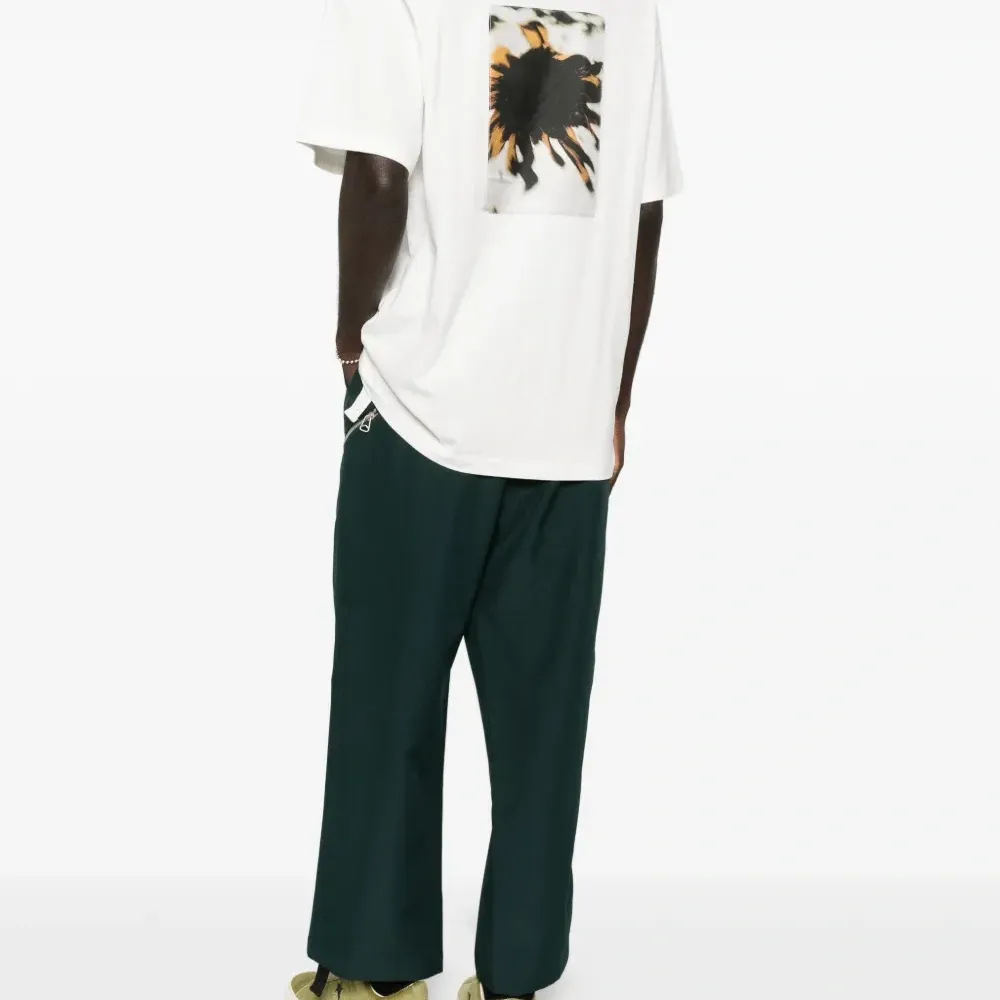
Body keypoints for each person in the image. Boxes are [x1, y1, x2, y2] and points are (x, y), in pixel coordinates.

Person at [288, 2, 682, 999]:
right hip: (568, 424)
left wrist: (352, 341)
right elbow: (643, 210)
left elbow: (379, 172)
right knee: (543, 732)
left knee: (386, 706)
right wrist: (613, 397)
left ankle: (370, 976)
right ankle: (516, 977)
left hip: (427, 411)